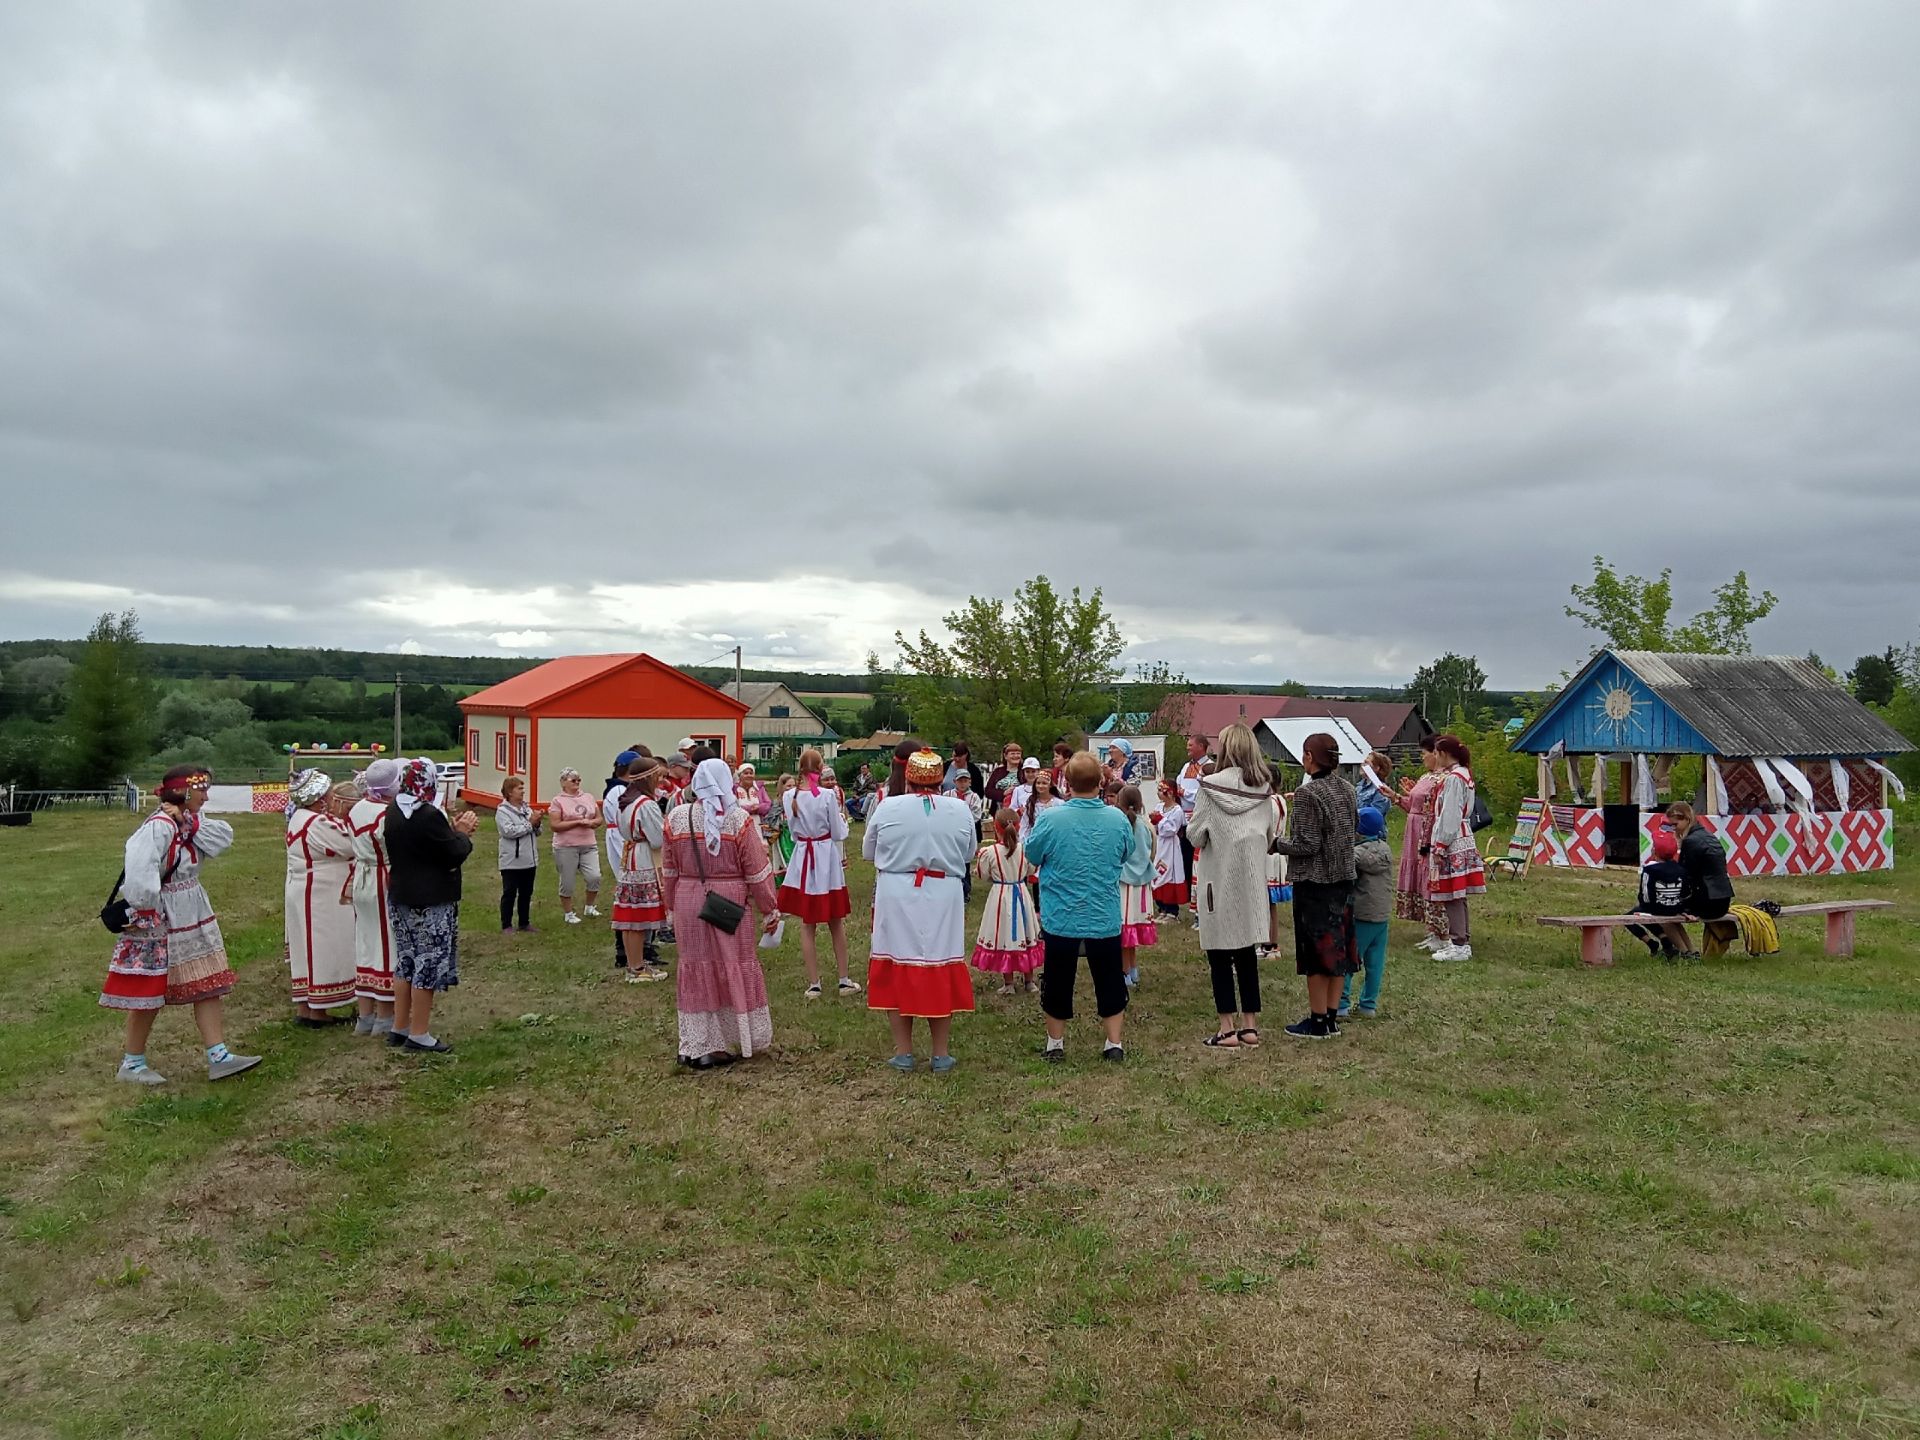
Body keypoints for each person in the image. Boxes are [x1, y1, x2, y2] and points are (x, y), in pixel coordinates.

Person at [101, 765, 261, 1084]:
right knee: (151, 989)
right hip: (161, 913)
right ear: (185, 792)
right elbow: (139, 868)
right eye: (201, 790)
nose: (206, 795)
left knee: (206, 983)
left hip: (192, 907)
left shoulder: (188, 824)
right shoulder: (158, 827)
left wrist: (188, 821)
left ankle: (219, 1056)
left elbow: (221, 839)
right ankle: (132, 1064)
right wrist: (145, 908)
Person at [660, 759, 783, 1068]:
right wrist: (770, 907)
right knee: (733, 963)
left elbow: (670, 868)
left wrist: (671, 905)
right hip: (727, 899)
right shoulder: (737, 819)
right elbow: (756, 870)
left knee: (695, 967)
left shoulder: (676, 817)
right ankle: (735, 1038)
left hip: (689, 898)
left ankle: (698, 1044)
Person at [864, 749, 977, 1071]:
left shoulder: (888, 806)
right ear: (942, 779)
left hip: (897, 892)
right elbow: (968, 852)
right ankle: (940, 1053)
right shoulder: (959, 808)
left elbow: (868, 850)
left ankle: (904, 1051)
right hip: (944, 893)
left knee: (898, 960)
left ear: (908, 778)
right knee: (940, 961)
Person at [1024, 752, 1136, 1063]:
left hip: (1062, 914)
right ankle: (1114, 1043)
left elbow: (1033, 853)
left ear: (1067, 783)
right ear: (1101, 782)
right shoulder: (1116, 819)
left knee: (1058, 979)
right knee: (1110, 978)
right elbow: (1127, 853)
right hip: (1103, 913)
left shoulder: (1050, 819)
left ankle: (1055, 1043)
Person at [1188, 723, 1280, 1049]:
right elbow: (1270, 836)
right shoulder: (1265, 789)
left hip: (1218, 878)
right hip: (1251, 879)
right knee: (1246, 953)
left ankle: (1226, 1028)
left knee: (1219, 954)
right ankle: (1250, 1026)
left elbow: (1196, 834)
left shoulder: (1210, 787)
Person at [1268, 732, 1360, 1040]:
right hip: (1344, 878)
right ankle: (1331, 1017)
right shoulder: (1347, 789)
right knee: (1339, 952)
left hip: (1316, 882)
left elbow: (1307, 844)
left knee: (1317, 954)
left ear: (1309, 756)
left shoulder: (1308, 794)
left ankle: (1317, 1020)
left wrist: (1276, 845)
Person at [384, 759, 479, 1054]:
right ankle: (420, 1033)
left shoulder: (394, 810)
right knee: (427, 962)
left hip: (402, 894)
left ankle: (399, 1027)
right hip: (430, 898)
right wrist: (462, 833)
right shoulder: (426, 815)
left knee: (406, 960)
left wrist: (449, 831)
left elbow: (425, 847)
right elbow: (452, 853)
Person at [778, 748, 858, 998]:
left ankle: (814, 983)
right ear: (820, 769)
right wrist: (843, 823)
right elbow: (837, 832)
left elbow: (792, 831)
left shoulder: (788, 796)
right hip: (824, 857)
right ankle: (843, 980)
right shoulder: (826, 796)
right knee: (836, 921)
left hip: (804, 856)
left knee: (807, 924)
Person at [284, 768, 359, 1023]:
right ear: (320, 798)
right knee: (322, 945)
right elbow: (350, 845)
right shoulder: (316, 823)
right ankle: (317, 1009)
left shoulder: (299, 817)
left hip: (304, 887)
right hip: (320, 891)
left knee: (306, 946)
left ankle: (306, 1007)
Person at [347, 758, 400, 1037]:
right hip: (383, 877)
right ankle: (385, 1016)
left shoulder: (357, 809)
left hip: (361, 877)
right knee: (386, 945)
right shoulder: (386, 814)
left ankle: (365, 1016)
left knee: (365, 943)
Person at [1424, 735, 1485, 962]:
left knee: (1452, 893)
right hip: (1462, 835)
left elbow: (1450, 813)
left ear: (1442, 754)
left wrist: (1440, 845)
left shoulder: (1453, 779)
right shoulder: (1463, 774)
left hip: (1452, 838)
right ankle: (1461, 941)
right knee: (1457, 894)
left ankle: (1459, 943)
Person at [971, 806, 1043, 997]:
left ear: (996, 827)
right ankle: (1029, 981)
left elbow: (983, 874)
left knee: (1003, 934)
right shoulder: (1024, 849)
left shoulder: (990, 852)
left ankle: (1009, 983)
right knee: (1025, 931)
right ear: (1018, 827)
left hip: (1001, 895)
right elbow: (1031, 870)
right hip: (1021, 893)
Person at [612, 755, 669, 982]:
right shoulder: (646, 804)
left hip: (630, 858)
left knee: (629, 917)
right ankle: (637, 968)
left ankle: (634, 964)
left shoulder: (626, 801)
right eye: (658, 776)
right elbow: (657, 839)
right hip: (644, 859)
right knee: (636, 918)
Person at [1393, 737, 1450, 952]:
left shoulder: (1445, 778)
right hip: (1415, 830)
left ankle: (1442, 930)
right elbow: (1414, 806)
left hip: (1428, 831)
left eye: (1424, 753)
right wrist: (1398, 797)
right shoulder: (1427, 776)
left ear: (1435, 753)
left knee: (1430, 877)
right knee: (1420, 877)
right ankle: (1431, 929)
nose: (1422, 757)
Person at [1339, 807, 1394, 1019]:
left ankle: (1341, 1004)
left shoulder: (1356, 855)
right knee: (1375, 963)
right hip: (1381, 915)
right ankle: (1368, 1005)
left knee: (1349, 959)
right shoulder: (1386, 850)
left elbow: (1346, 877)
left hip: (1361, 915)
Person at [1667, 802, 1735, 959]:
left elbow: (1685, 876)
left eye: (1675, 824)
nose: (1674, 828)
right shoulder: (1709, 836)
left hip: (1708, 903)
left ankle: (1685, 952)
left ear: (1686, 819)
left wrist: (1680, 903)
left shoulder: (1691, 842)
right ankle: (1689, 952)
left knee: (1663, 910)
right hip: (1723, 900)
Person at [546, 767, 604, 925]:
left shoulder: (588, 797)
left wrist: (592, 823)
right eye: (573, 780)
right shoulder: (558, 801)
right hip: (566, 846)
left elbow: (599, 818)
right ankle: (568, 912)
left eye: (579, 780)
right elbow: (555, 825)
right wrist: (577, 822)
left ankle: (590, 907)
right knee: (567, 881)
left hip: (588, 844)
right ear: (563, 782)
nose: (577, 783)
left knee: (595, 876)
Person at [1116, 784, 1157, 987]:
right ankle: (1133, 969)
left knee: (1124, 932)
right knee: (1131, 932)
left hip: (1125, 883)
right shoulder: (1147, 825)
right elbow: (1152, 852)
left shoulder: (1121, 825)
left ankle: (1124, 973)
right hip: (1142, 884)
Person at [1625, 824, 1687, 960]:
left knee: (1632, 915)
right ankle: (1664, 940)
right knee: (1645, 912)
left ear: (1655, 851)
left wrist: (1644, 904)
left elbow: (1645, 896)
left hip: (1658, 908)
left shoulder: (1650, 870)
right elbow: (1684, 891)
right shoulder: (1680, 869)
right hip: (1676, 907)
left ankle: (1652, 942)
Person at [495, 776, 543, 933]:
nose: (523, 792)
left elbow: (537, 832)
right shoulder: (502, 812)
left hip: (529, 859)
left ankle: (524, 922)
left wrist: (537, 823)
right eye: (519, 789)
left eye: (523, 788)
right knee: (509, 893)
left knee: (526, 893)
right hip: (511, 860)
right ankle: (506, 924)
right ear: (509, 792)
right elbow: (509, 831)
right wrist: (530, 823)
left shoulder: (526, 809)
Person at [1260, 774, 1291, 960]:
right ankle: (1272, 944)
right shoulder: (1281, 800)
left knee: (1266, 902)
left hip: (1268, 852)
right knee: (1270, 904)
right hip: (1279, 854)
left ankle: (1269, 945)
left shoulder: (1267, 802)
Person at [1151, 777, 1189, 920]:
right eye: (1159, 790)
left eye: (1162, 790)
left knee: (1170, 873)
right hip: (1160, 844)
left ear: (1171, 792)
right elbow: (1155, 827)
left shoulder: (1177, 810)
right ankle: (1161, 908)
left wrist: (1160, 821)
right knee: (1158, 873)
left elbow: (1172, 829)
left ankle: (1172, 911)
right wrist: (1155, 822)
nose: (1159, 793)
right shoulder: (1159, 807)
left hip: (1171, 846)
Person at [952, 770, 989, 899]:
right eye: (959, 781)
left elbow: (976, 815)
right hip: (950, 832)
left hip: (965, 831)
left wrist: (963, 820)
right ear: (954, 782)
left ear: (969, 782)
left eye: (965, 781)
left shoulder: (974, 797)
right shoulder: (947, 795)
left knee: (965, 861)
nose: (962, 784)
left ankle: (966, 889)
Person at [1356, 752, 1394, 822]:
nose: (1362, 765)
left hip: (1372, 832)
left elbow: (1375, 815)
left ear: (1377, 768)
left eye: (1366, 763)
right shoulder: (1359, 787)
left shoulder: (1381, 790)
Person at [985, 742, 1024, 809]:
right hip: (999, 810)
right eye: (1012, 754)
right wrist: (1003, 793)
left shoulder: (1024, 771)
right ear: (1005, 756)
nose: (1016, 756)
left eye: (1018, 753)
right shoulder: (998, 771)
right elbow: (988, 791)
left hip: (1019, 810)